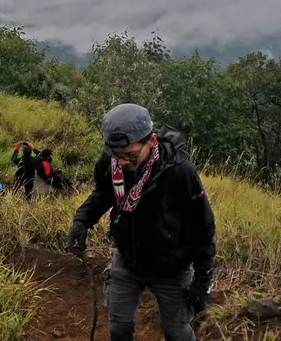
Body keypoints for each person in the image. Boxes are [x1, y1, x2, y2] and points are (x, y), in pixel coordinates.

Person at [66, 103, 216, 341]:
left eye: (131, 155)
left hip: (172, 268)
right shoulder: (109, 163)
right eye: (117, 155)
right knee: (119, 327)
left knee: (176, 332)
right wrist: (82, 220)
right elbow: (103, 195)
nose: (123, 162)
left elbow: (203, 225)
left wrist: (203, 279)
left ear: (152, 141)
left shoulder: (179, 172)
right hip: (128, 260)